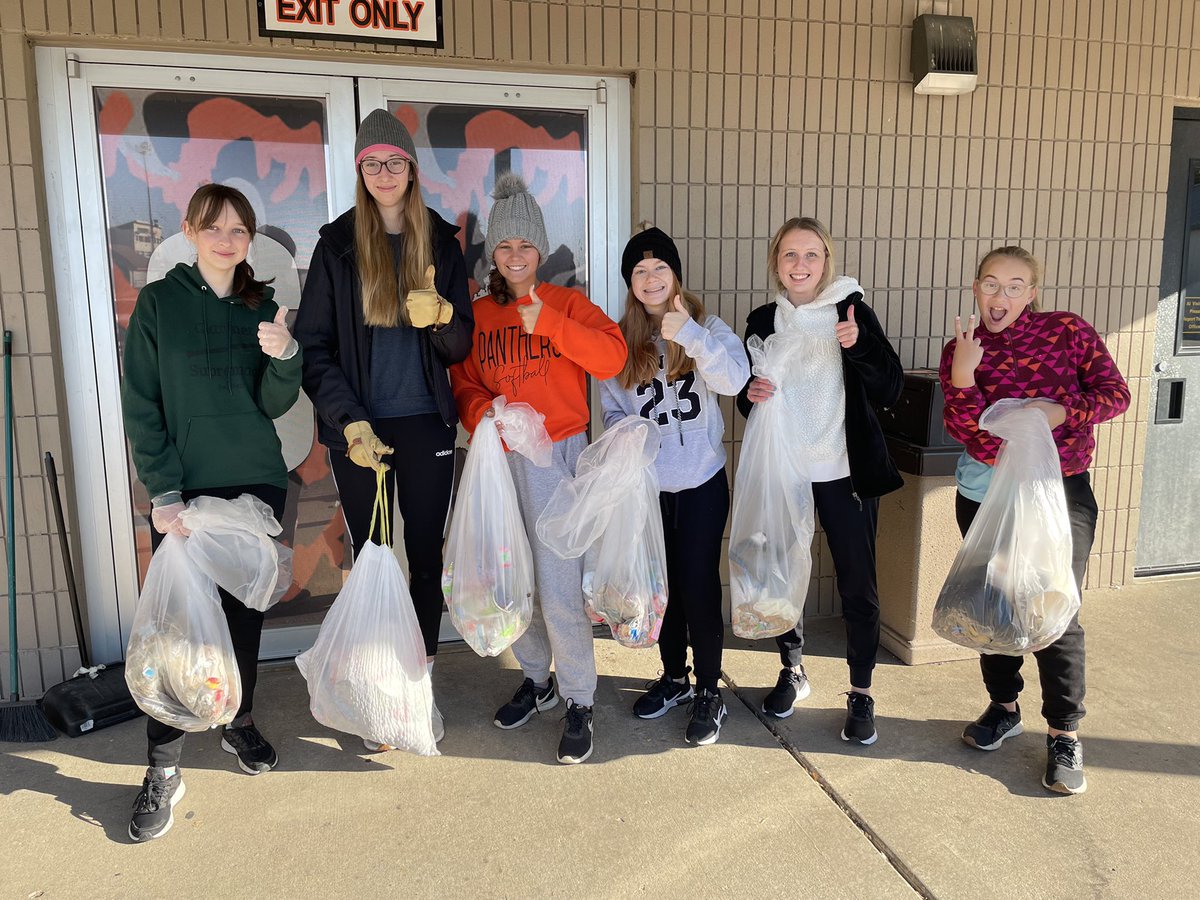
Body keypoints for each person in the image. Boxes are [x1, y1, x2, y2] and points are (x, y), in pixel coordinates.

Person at [121, 183, 303, 841]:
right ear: (191, 231)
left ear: (249, 240)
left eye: (238, 230)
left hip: (255, 480)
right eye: (214, 227)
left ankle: (239, 719)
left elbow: (276, 403)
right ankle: (163, 768)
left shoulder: (265, 305)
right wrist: (163, 493)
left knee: (242, 617)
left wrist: (286, 358)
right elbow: (142, 403)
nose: (226, 240)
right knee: (177, 630)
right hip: (186, 493)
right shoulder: (160, 304)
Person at [293, 109, 473, 750]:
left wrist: (445, 316)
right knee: (372, 558)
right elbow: (313, 348)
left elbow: (459, 349)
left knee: (424, 560)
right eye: (372, 163)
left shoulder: (443, 243)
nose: (384, 173)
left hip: (427, 423)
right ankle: (375, 692)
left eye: (394, 161)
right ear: (360, 172)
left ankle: (413, 691)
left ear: (413, 170)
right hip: (363, 432)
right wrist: (349, 422)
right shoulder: (337, 246)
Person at [450, 172, 627, 764]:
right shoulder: (477, 316)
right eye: (505, 247)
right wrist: (482, 414)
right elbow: (464, 383)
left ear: (541, 250)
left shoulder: (567, 304)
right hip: (502, 462)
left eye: (526, 246)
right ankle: (536, 677)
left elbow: (612, 357)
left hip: (558, 458)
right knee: (512, 579)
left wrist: (548, 323)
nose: (516, 256)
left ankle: (579, 697)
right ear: (493, 254)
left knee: (556, 590)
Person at [939, 245, 1130, 795]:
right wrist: (965, 376)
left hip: (1058, 492)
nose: (1001, 296)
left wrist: (1062, 412)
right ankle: (1003, 707)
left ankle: (1064, 731)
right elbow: (965, 431)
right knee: (994, 603)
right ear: (977, 288)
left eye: (1015, 285)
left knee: (1055, 609)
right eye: (991, 285)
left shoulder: (1068, 331)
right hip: (987, 495)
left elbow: (1115, 394)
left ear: (1033, 292)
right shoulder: (963, 346)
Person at [736, 216, 903, 744]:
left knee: (858, 581)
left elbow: (890, 386)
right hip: (784, 470)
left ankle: (861, 692)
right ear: (776, 263)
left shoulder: (850, 309)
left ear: (826, 261)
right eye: (790, 255)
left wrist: (859, 346)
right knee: (780, 571)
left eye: (811, 255)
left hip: (842, 471)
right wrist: (749, 395)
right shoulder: (763, 319)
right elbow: (750, 394)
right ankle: (792, 669)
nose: (801, 265)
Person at [598, 226, 749, 745]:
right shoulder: (621, 340)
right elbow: (614, 410)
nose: (651, 277)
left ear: (675, 274)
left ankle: (710, 689)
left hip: (703, 482)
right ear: (630, 282)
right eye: (639, 271)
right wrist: (626, 441)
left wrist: (689, 333)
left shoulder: (706, 325)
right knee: (664, 588)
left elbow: (733, 381)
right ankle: (674, 678)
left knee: (699, 584)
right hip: (651, 488)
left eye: (660, 267)